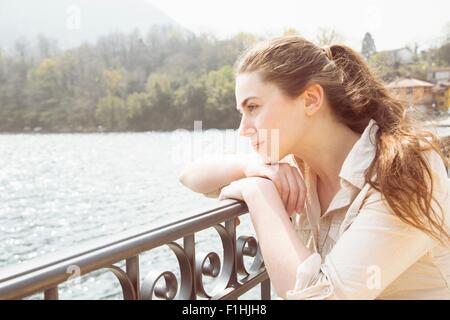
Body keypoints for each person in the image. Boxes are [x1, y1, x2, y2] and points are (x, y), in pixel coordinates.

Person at [179, 35, 450, 299]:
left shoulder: (404, 170)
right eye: (242, 112)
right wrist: (250, 166)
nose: (243, 130)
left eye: (253, 107)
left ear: (310, 100)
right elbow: (190, 175)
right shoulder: (293, 163)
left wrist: (259, 194)